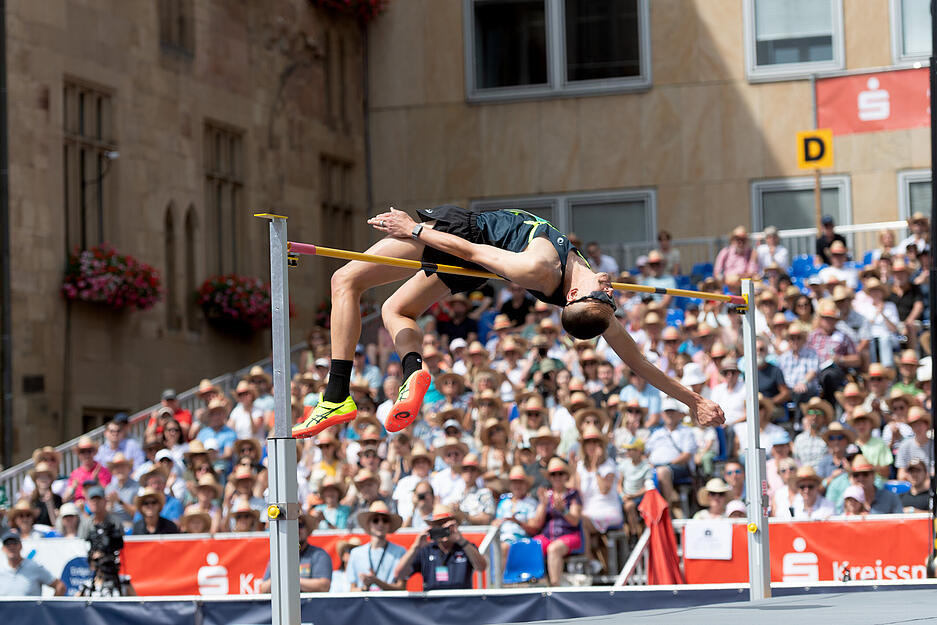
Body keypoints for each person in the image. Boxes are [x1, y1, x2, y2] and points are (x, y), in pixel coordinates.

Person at [294, 205, 725, 438]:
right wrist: (694, 402)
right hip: (474, 253)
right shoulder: (590, 300)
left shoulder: (537, 269)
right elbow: (638, 362)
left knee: (344, 279)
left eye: (604, 296)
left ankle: (335, 394)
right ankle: (413, 372)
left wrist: (415, 229)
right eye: (610, 299)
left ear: (573, 296)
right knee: (396, 310)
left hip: (463, 236)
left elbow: (474, 252)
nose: (611, 294)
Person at [395, 504, 487, 591]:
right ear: (432, 527)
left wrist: (461, 540)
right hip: (433, 605)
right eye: (438, 524)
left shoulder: (465, 547)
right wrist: (415, 547)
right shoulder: (426, 550)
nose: (443, 528)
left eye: (446, 523)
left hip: (461, 605)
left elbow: (482, 567)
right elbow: (399, 575)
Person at [529, 457, 582, 586]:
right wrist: (542, 504)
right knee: (532, 545)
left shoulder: (573, 495)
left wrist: (563, 510)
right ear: (549, 477)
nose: (557, 477)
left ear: (566, 476)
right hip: (548, 536)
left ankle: (555, 587)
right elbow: (537, 523)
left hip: (570, 536)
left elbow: (575, 521)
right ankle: (533, 584)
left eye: (560, 473)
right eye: (553, 474)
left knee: (554, 549)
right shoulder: (546, 496)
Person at [258, 513, 332, 593]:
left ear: (307, 529)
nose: (296, 529)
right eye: (291, 526)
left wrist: (288, 579)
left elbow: (324, 586)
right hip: (284, 604)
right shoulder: (278, 555)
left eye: (300, 525)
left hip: (310, 604)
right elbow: (263, 588)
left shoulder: (319, 554)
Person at [347, 501, 407, 591]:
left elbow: (402, 587)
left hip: (389, 604)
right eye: (376, 520)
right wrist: (365, 588)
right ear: (369, 524)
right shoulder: (356, 553)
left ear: (389, 524)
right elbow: (352, 589)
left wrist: (376, 581)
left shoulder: (400, 552)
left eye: (385, 520)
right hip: (365, 603)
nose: (380, 524)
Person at [0, 531, 65, 596]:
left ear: (20, 546)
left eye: (14, 543)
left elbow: (60, 586)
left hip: (30, 606)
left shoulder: (34, 567)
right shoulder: (1, 569)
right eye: (7, 544)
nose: (11, 547)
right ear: (3, 548)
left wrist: (51, 606)